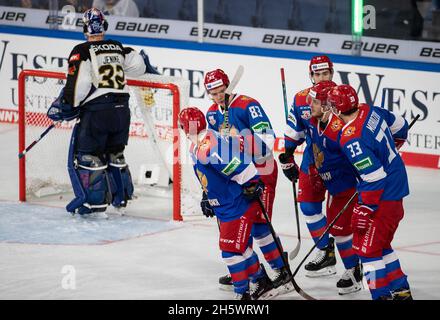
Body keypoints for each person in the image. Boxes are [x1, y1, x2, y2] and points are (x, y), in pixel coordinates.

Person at [47, 8, 158, 216]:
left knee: (89, 156)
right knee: (115, 153)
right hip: (122, 111)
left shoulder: (82, 50)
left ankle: (94, 205)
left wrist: (67, 106)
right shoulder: (116, 47)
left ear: (84, 29)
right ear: (104, 26)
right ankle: (121, 198)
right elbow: (138, 64)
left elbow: (79, 86)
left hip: (98, 113)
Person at [203, 69, 292, 294]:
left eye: (221, 91)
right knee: (242, 223)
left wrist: (238, 137)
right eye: (213, 94)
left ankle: (282, 272)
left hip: (262, 172)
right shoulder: (213, 114)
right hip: (238, 175)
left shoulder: (248, 105)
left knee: (260, 226)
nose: (218, 97)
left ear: (228, 87)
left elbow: (268, 141)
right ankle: (246, 269)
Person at [178, 106, 277, 300]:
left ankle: (242, 293)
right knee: (240, 248)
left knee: (230, 252)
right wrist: (207, 195)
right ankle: (260, 279)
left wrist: (252, 184)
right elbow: (207, 174)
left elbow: (242, 167)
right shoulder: (196, 145)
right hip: (224, 204)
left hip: (235, 205)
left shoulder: (208, 146)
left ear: (184, 128)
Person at [327, 84, 412, 300]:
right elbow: (400, 125)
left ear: (337, 109)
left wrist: (366, 207)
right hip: (396, 186)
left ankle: (381, 296)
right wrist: (391, 146)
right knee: (381, 245)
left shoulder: (350, 137)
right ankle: (401, 292)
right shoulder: (369, 109)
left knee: (366, 251)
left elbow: (374, 176)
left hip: (383, 195)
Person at [301, 80, 363, 295]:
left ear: (328, 106)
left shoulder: (339, 131)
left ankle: (354, 273)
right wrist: (316, 171)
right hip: (335, 187)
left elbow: (358, 154)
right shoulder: (314, 122)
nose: (310, 105)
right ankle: (354, 268)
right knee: (339, 232)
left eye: (315, 102)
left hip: (348, 188)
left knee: (342, 232)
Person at [278, 55, 335, 277]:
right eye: (317, 74)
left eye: (325, 73)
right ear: (311, 76)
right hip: (314, 160)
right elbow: (295, 131)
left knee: (345, 217)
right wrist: (288, 156)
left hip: (343, 163)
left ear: (332, 73)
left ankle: (355, 264)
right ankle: (325, 252)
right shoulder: (301, 99)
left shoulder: (343, 96)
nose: (321, 78)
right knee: (309, 207)